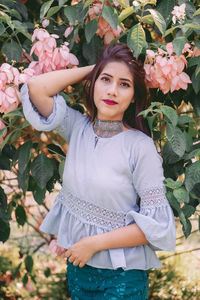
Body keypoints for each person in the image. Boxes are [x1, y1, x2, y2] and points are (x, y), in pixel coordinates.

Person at [20, 43, 176, 300]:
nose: (112, 90)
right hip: (78, 271)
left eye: (124, 84)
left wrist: (93, 244)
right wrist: (98, 68)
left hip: (122, 278)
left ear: (134, 96)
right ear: (93, 84)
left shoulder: (140, 147)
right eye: (105, 80)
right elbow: (36, 88)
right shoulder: (77, 127)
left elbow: (156, 225)